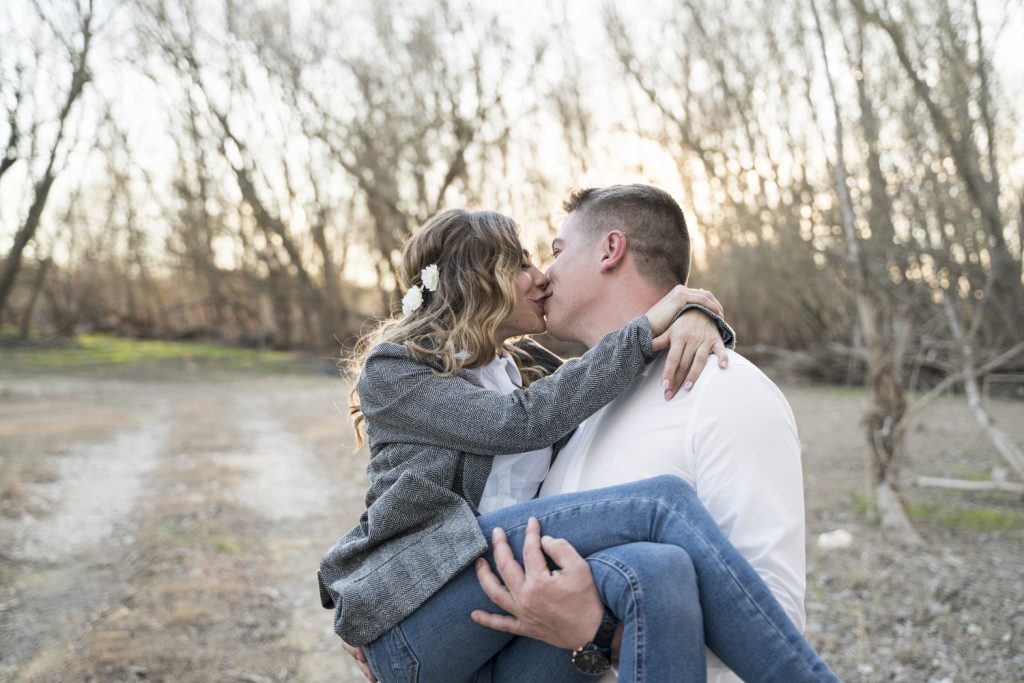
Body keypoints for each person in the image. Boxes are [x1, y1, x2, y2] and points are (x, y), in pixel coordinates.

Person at [319, 207, 838, 682]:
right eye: (523, 263)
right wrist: (649, 324)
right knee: (659, 504)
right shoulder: (396, 371)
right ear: (478, 280)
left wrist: (694, 316)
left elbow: (588, 381)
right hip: (423, 619)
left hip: (508, 625)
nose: (541, 276)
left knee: (660, 571)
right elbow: (517, 423)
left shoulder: (521, 369)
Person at [467, 184, 811, 682]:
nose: (543, 276)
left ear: (611, 249)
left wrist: (599, 631)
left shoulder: (728, 394)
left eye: (557, 252)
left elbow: (777, 623)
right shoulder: (571, 405)